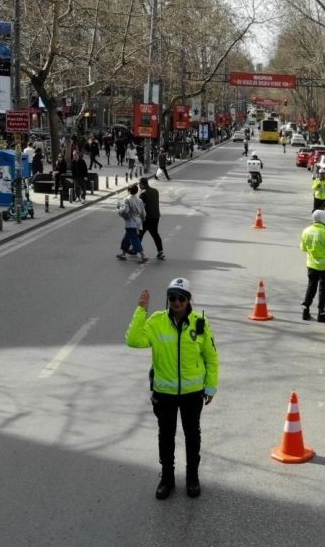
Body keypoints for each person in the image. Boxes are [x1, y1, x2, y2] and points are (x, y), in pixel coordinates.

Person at [126, 277, 218, 500]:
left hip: (192, 393)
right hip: (164, 393)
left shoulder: (200, 323)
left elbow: (211, 357)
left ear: (188, 300)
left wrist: (211, 387)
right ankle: (167, 478)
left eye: (181, 298)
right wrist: (141, 311)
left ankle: (192, 478)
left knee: (192, 436)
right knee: (166, 436)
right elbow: (133, 340)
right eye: (172, 298)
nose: (176, 302)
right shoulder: (157, 322)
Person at [301, 209, 325, 322]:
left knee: (311, 287)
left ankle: (305, 311)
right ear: (322, 220)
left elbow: (303, 248)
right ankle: (321, 314)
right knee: (323, 290)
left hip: (311, 265)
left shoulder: (306, 231)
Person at [117, 184, 147, 263]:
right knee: (126, 239)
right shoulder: (139, 200)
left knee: (134, 239)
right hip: (138, 221)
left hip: (131, 222)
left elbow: (125, 211)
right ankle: (123, 254)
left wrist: (119, 208)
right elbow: (143, 213)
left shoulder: (128, 199)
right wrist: (142, 219)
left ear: (129, 191)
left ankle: (143, 256)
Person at [138, 177, 165, 260]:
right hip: (156, 216)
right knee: (155, 234)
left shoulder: (143, 194)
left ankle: (136, 249)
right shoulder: (155, 191)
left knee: (140, 233)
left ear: (142, 184)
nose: (139, 185)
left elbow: (142, 207)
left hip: (147, 217)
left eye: (139, 184)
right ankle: (160, 251)